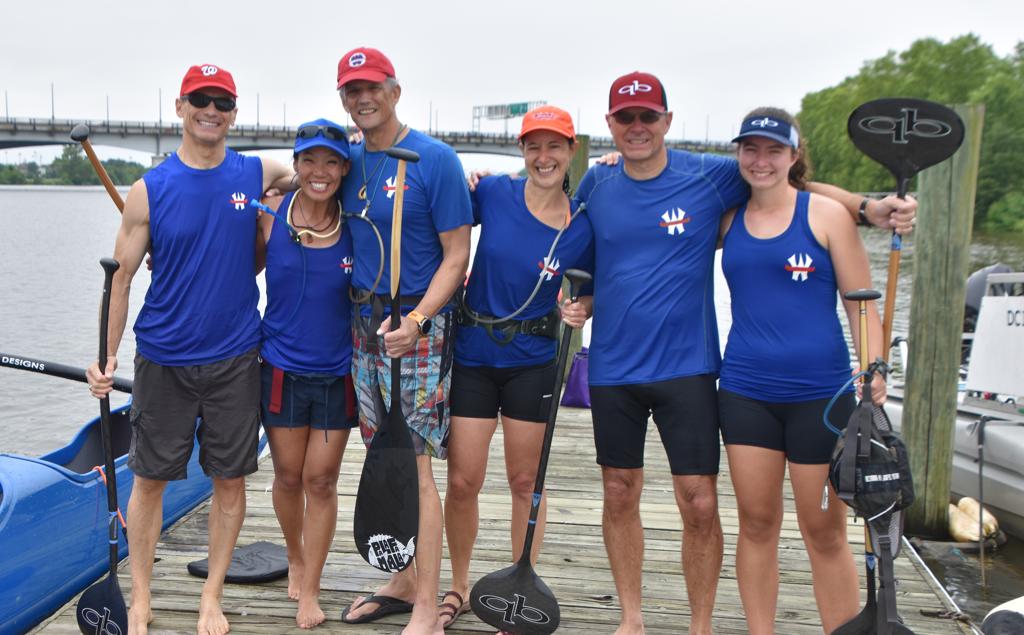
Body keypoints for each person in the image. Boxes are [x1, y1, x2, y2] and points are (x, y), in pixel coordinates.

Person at [560, 71, 916, 635]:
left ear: (667, 121)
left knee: (778, 520)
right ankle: (657, 621)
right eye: (625, 117)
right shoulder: (625, 188)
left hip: (764, 383)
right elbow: (597, 251)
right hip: (700, 382)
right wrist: (582, 301)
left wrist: (868, 207)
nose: (760, 160)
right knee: (729, 517)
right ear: (609, 124)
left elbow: (807, 212)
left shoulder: (735, 189)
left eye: (648, 116)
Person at [86, 63, 293, 635]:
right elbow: (120, 279)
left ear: (234, 113)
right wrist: (106, 357)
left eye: (222, 102)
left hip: (235, 359)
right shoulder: (148, 190)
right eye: (200, 99)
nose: (211, 110)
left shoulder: (256, 171)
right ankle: (141, 597)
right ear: (179, 107)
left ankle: (211, 596)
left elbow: (321, 174)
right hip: (163, 358)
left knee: (230, 481)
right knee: (149, 480)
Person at [717, 108, 883, 634]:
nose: (761, 160)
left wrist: (874, 368)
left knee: (824, 530)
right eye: (751, 149)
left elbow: (862, 305)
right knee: (756, 523)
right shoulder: (727, 219)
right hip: (746, 393)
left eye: (774, 150)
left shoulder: (826, 215)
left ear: (793, 155)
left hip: (822, 398)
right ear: (739, 154)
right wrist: (615, 162)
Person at [334, 47, 472, 635]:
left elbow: (457, 255)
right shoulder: (346, 161)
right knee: (383, 459)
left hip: (416, 327)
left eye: (373, 87)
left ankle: (426, 608)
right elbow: (298, 184)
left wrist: (416, 319)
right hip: (363, 325)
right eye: (352, 89)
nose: (363, 98)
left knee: (416, 467)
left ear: (395, 91)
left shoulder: (434, 160)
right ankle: (404, 579)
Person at [438, 105, 594, 628]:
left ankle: (518, 590)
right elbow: (440, 228)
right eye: (533, 146)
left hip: (534, 361)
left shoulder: (582, 224)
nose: (543, 157)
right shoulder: (492, 192)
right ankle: (459, 586)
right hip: (474, 355)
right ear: (522, 151)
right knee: (464, 481)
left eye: (554, 146)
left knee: (525, 480)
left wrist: (582, 308)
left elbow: (590, 291)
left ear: (571, 151)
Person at [256, 119, 355, 629]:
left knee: (321, 480)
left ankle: (311, 587)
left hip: (338, 372)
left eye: (331, 161)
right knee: (288, 476)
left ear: (344, 169)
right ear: (295, 165)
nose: (321, 171)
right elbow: (221, 261)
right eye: (310, 160)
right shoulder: (270, 213)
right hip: (280, 369)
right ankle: (294, 556)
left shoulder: (357, 224)